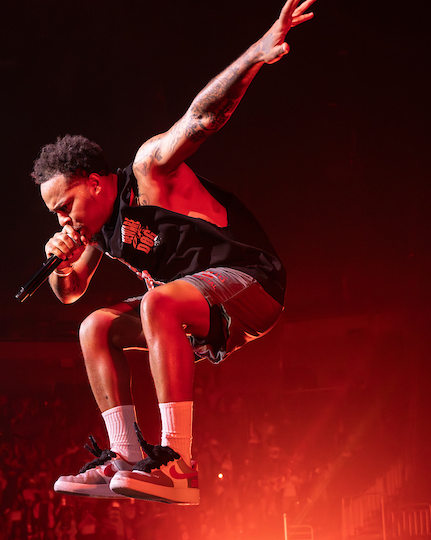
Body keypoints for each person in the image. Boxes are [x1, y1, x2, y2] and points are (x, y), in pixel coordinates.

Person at [32, 0, 314, 505]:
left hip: (252, 284)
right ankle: (126, 456)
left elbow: (202, 118)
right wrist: (61, 262)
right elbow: (69, 292)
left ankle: (179, 462)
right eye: (54, 214)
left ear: (95, 183)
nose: (63, 220)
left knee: (157, 302)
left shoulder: (148, 171)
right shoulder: (96, 231)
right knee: (94, 328)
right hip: (197, 309)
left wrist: (255, 54)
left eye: (65, 206)